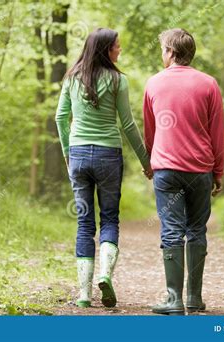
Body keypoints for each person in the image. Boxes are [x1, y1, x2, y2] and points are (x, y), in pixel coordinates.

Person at [55, 28, 153, 308]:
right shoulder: (118, 80)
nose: (119, 50)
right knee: (109, 219)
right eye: (116, 47)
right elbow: (129, 124)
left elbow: (60, 117)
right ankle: (105, 274)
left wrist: (67, 153)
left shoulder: (71, 77)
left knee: (84, 223)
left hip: (79, 156)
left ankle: (85, 294)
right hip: (109, 155)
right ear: (105, 50)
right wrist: (147, 162)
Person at [143, 28, 224, 315]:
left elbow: (149, 132)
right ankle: (194, 297)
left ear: (170, 51)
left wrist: (150, 164)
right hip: (200, 169)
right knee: (196, 231)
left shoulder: (153, 83)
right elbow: (218, 133)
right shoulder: (209, 84)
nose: (162, 54)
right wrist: (218, 172)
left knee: (171, 232)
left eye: (163, 49)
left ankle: (174, 299)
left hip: (166, 168)